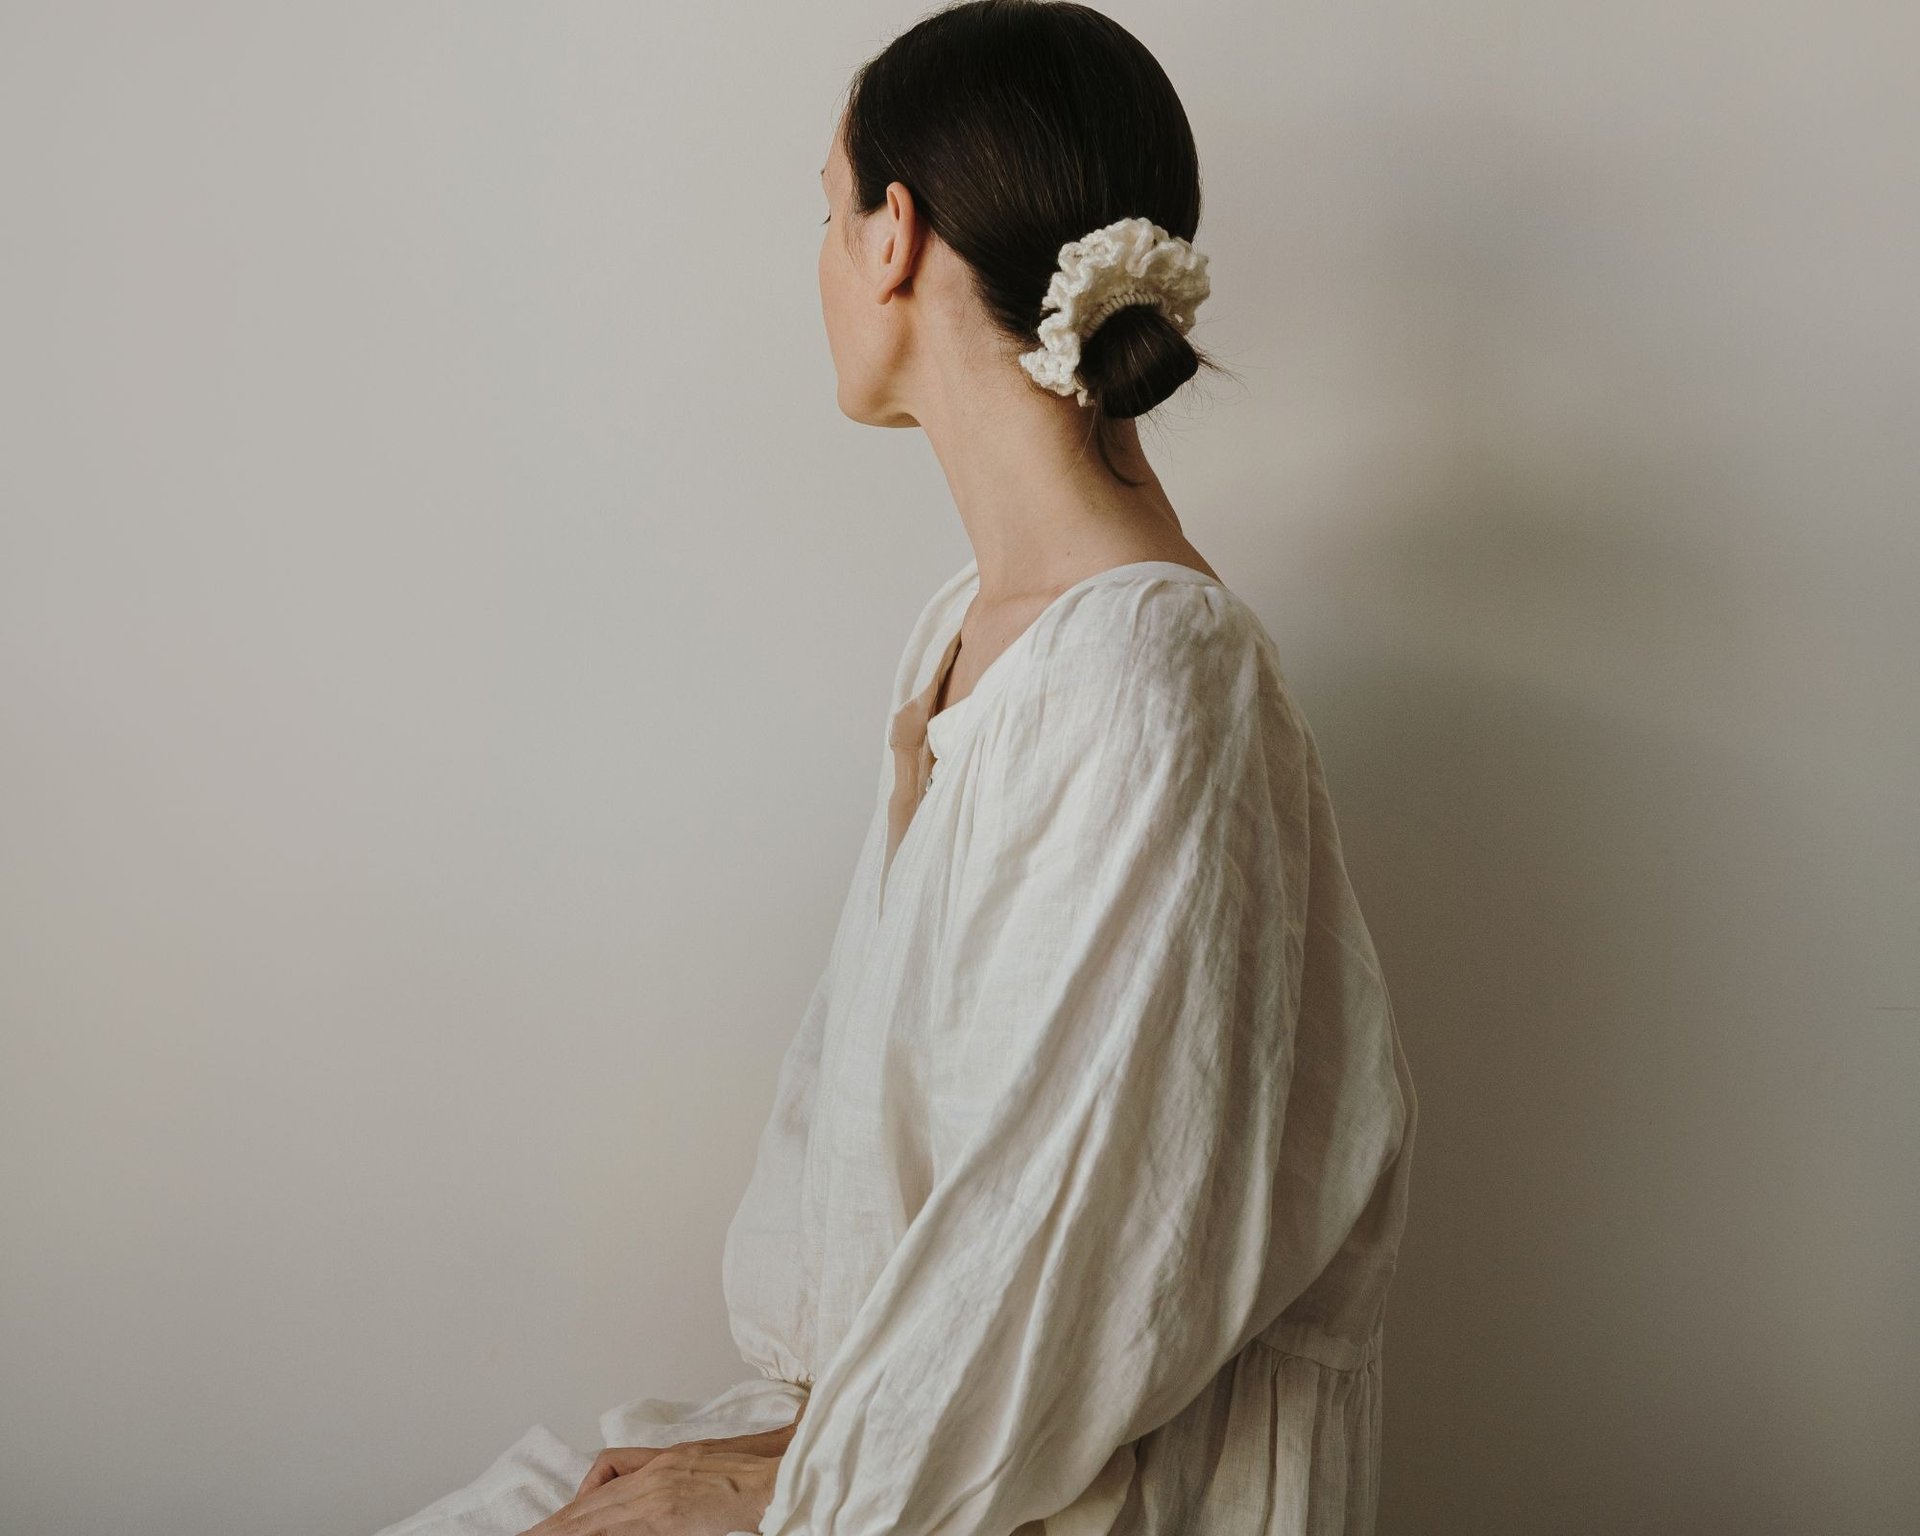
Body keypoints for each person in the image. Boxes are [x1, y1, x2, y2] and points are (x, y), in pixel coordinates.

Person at [370, 3, 1417, 1533]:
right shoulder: (967, 642)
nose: (820, 252)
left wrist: (770, 1504)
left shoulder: (1152, 677)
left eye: (826, 206)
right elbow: (903, 1204)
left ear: (894, 239)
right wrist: (767, 1454)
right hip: (904, 1466)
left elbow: (1074, 1271)